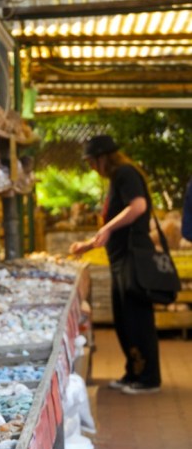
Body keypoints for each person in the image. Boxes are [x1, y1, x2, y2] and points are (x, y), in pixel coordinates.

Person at [70, 134, 161, 394]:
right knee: (124, 319)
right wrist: (88, 245)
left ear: (102, 158)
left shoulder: (125, 174)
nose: (91, 168)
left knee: (137, 319)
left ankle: (148, 378)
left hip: (134, 259)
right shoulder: (117, 179)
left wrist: (108, 228)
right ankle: (133, 372)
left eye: (91, 162)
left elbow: (139, 206)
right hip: (122, 259)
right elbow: (112, 228)